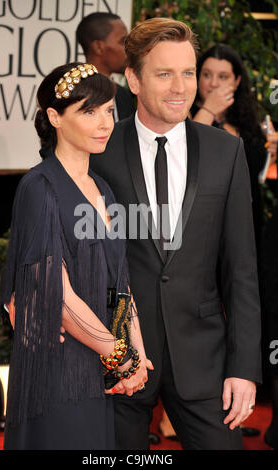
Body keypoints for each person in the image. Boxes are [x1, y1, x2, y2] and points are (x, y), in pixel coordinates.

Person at [90, 17, 262, 450]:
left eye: (188, 73)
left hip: (203, 364)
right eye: (164, 74)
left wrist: (244, 367)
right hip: (117, 363)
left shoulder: (227, 152)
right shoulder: (99, 150)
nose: (180, 87)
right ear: (133, 78)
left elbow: (241, 268)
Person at [0, 62, 150, 450]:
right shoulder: (40, 187)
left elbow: (121, 280)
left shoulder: (102, 188)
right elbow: (58, 296)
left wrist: (138, 351)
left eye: (108, 111)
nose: (104, 123)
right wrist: (121, 356)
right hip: (58, 369)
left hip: (97, 367)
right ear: (55, 117)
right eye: (88, 111)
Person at [191, 44, 277, 253]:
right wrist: (209, 109)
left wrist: (272, 156)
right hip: (202, 222)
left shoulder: (249, 122)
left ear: (236, 81)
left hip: (245, 217)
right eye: (207, 75)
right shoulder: (184, 114)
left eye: (223, 77)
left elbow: (257, 172)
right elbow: (190, 151)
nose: (213, 84)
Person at [76, 12, 135, 122]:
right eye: (122, 42)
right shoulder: (73, 95)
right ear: (99, 47)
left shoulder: (123, 96)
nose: (129, 49)